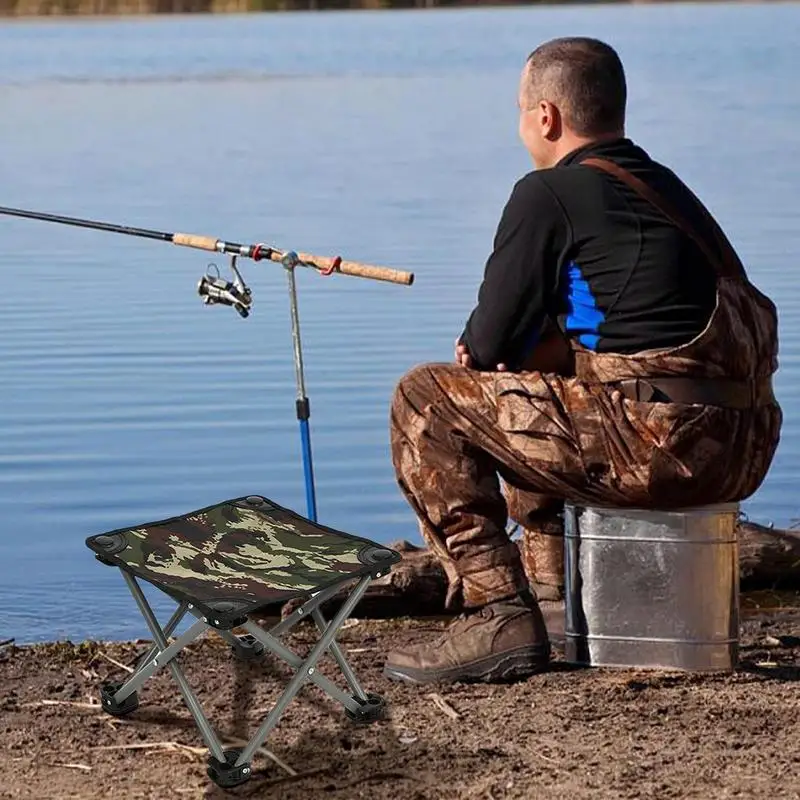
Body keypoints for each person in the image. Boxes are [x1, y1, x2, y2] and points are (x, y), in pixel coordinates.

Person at [383, 36, 782, 686]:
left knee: (426, 399)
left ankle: (499, 613)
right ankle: (553, 594)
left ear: (546, 116)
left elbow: (485, 346)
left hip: (661, 449)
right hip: (742, 447)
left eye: (518, 110)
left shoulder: (549, 192)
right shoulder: (668, 192)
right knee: (538, 383)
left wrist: (494, 357)